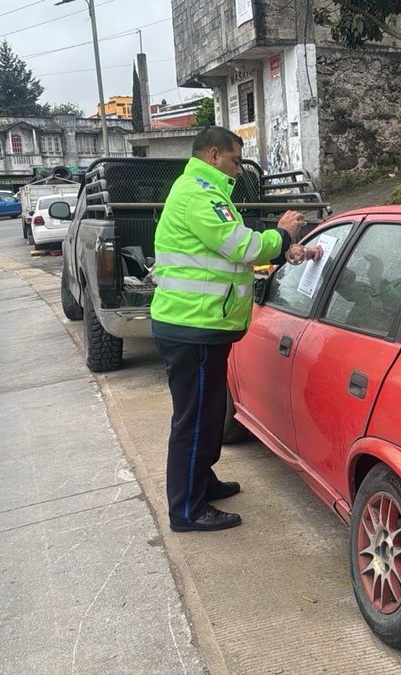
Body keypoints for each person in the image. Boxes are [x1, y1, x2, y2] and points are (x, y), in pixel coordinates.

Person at [151, 126, 316, 532]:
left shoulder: (204, 191)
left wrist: (283, 251)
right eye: (235, 161)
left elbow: (226, 256)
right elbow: (240, 246)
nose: (239, 170)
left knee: (207, 417)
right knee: (193, 421)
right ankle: (187, 510)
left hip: (202, 324)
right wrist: (282, 233)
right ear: (213, 155)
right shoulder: (198, 194)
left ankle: (201, 483)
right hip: (192, 326)